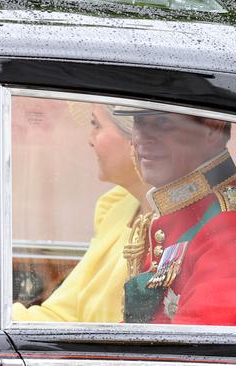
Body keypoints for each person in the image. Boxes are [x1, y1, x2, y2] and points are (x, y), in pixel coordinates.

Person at [123, 110, 236, 327]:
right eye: (138, 121)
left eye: (162, 121)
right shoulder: (185, 215)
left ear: (213, 126)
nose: (141, 138)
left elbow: (188, 355)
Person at [12, 104, 151, 322]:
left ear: (135, 135)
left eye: (97, 125)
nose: (90, 139)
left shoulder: (176, 223)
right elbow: (63, 313)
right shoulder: (118, 208)